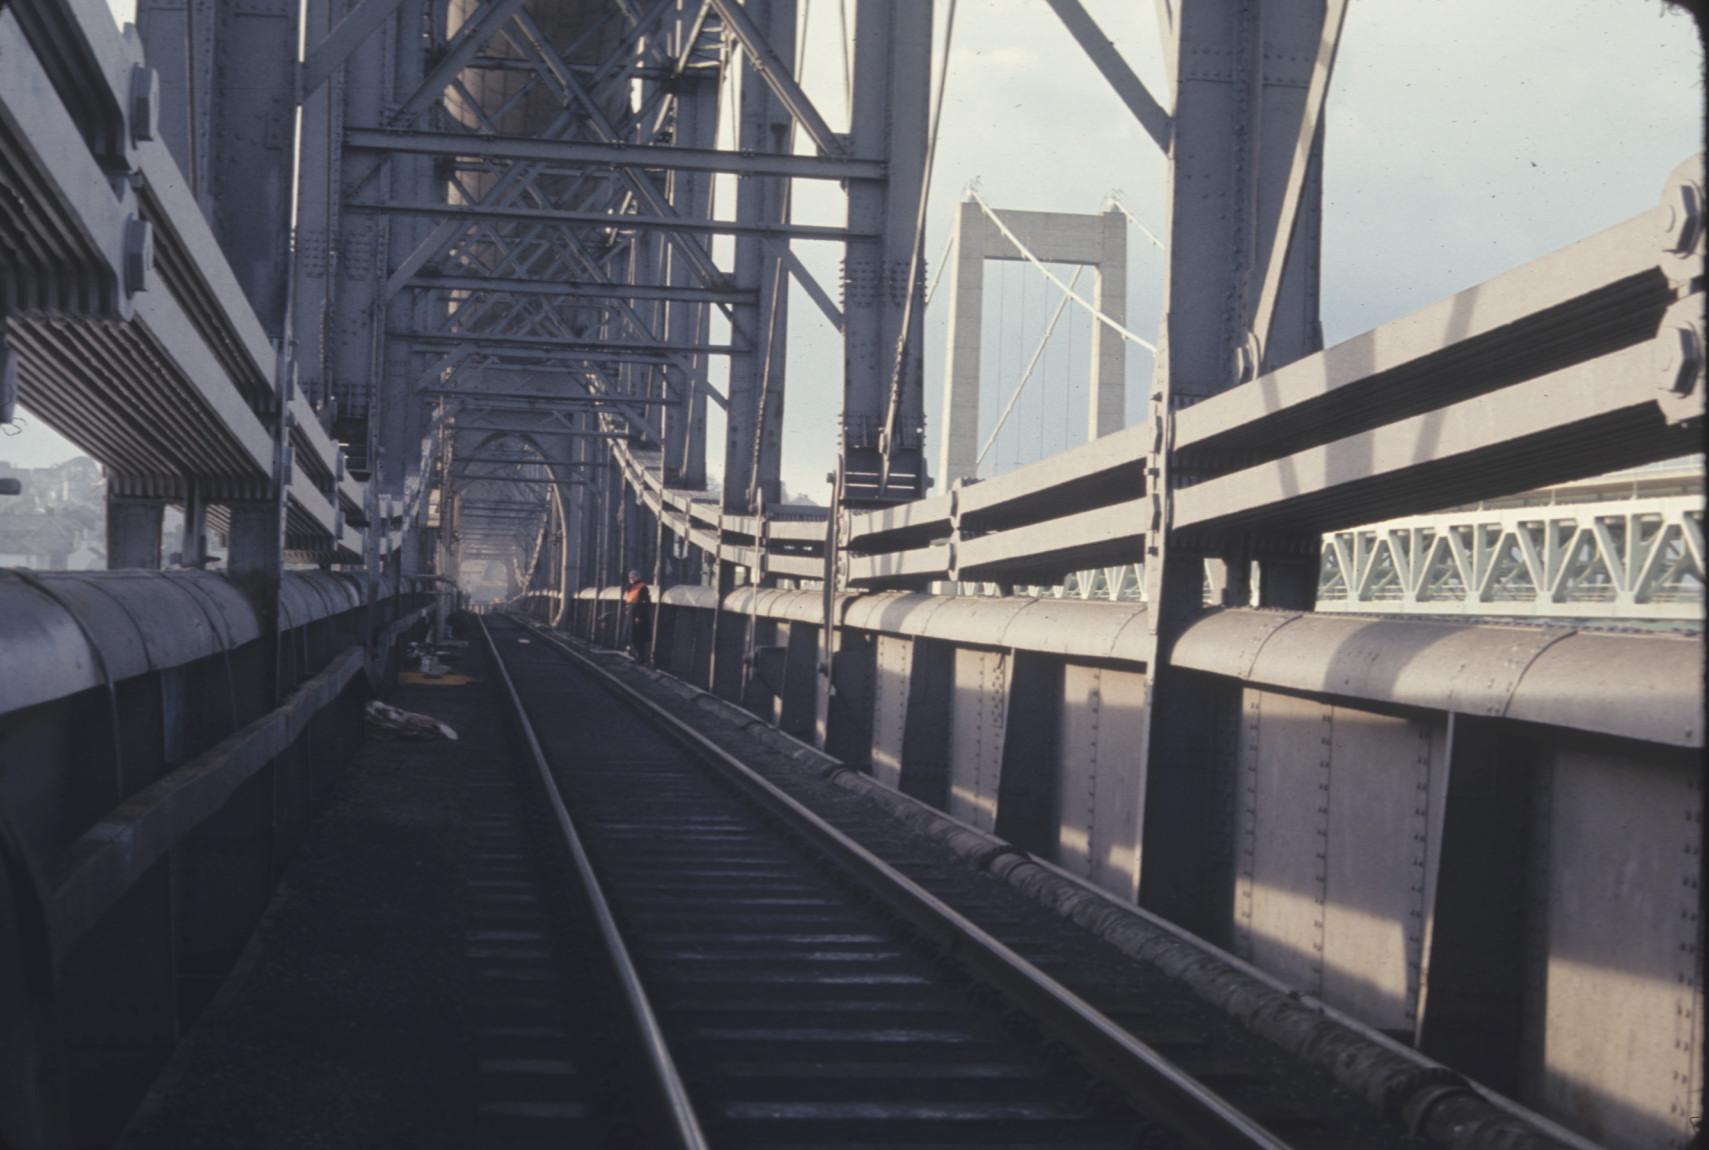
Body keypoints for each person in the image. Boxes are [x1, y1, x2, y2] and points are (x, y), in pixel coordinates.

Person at [622, 569, 652, 657]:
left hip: (638, 614)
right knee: (630, 636)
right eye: (630, 577)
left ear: (637, 577)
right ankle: (632, 653)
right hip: (631, 613)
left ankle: (640, 657)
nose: (631, 579)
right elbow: (629, 599)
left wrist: (639, 616)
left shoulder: (642, 587)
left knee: (637, 636)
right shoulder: (631, 586)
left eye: (633, 577)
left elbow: (645, 602)